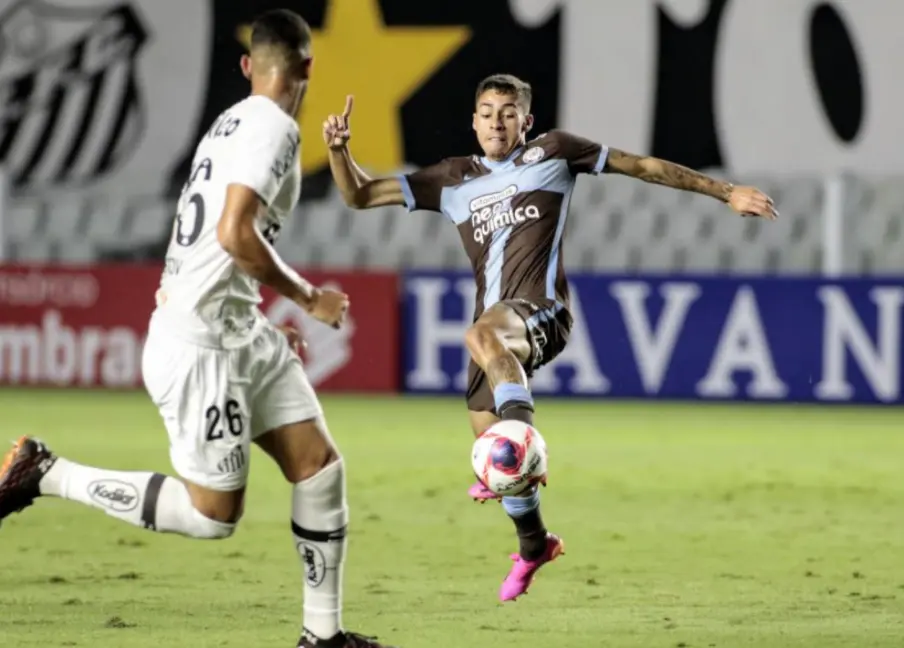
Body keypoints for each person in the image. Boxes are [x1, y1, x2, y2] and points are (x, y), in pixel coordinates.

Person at [0, 10, 397, 648]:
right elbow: (234, 232)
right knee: (213, 517)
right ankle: (46, 472)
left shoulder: (231, 122)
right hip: (201, 345)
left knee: (319, 468)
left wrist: (258, 314)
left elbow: (218, 237)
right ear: (309, 66)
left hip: (237, 329)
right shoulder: (273, 129)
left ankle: (322, 638)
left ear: (247, 66)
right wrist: (307, 298)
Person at [322, 73, 778, 602]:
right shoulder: (450, 179)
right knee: (496, 458)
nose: (496, 120)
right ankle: (535, 543)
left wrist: (724, 192)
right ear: (473, 121)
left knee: (486, 360)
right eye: (487, 110)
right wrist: (339, 150)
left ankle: (525, 438)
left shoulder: (555, 153)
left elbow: (643, 167)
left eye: (508, 111)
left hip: (541, 312)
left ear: (526, 122)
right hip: (496, 333)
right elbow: (357, 194)